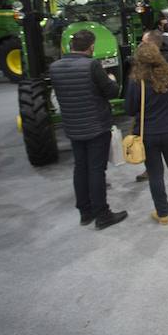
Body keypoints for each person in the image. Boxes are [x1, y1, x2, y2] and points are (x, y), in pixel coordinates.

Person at [49, 30, 128, 229]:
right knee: (96, 171)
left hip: (73, 127)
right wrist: (110, 78)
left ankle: (85, 212)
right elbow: (112, 92)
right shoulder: (92, 65)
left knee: (80, 169)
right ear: (91, 46)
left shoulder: (55, 67)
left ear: (70, 46)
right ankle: (102, 214)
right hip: (96, 126)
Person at [124, 43, 168, 225]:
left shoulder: (135, 81)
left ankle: (163, 214)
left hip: (148, 133)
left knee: (155, 174)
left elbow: (130, 109)